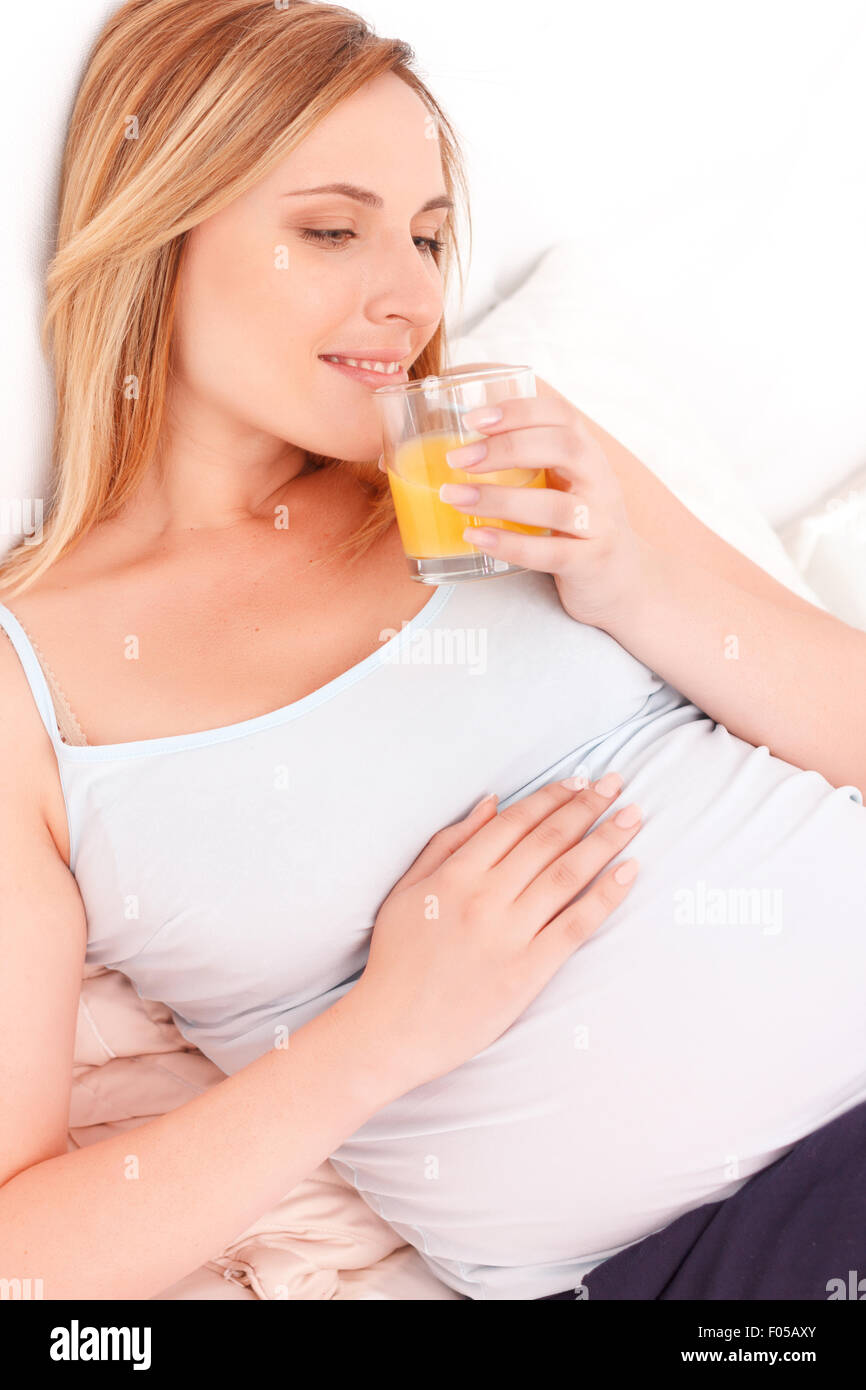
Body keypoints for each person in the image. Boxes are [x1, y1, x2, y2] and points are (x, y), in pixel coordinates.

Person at [1, 0, 864, 1302]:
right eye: (331, 230)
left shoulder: (490, 467)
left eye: (428, 236)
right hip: (737, 1250)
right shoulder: (29, 689)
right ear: (156, 236)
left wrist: (634, 572)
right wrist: (380, 1035)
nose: (406, 297)